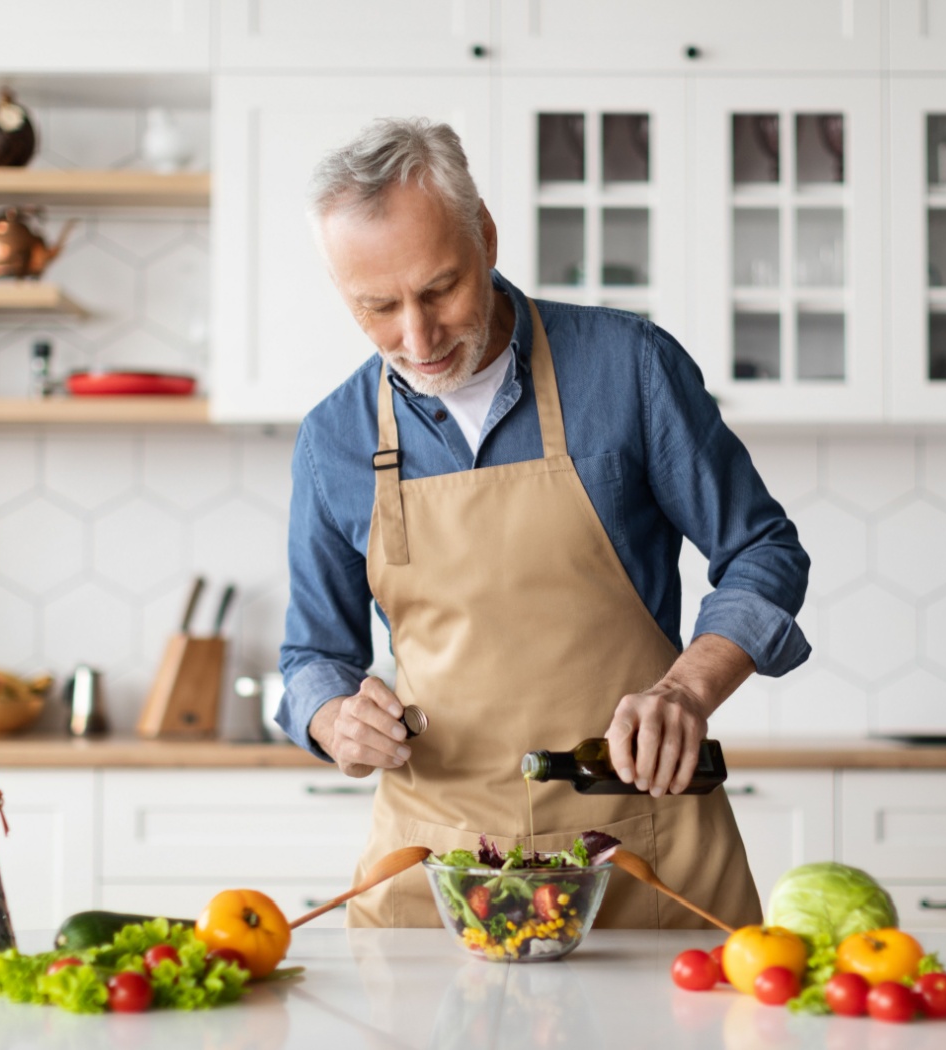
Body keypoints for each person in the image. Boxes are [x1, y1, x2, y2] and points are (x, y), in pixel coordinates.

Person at [278, 117, 811, 928]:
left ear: (485, 235)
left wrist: (686, 692)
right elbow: (313, 654)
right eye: (377, 308)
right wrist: (332, 718)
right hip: (437, 869)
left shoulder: (629, 367)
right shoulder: (333, 439)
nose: (416, 339)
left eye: (439, 290)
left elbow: (762, 552)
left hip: (641, 848)